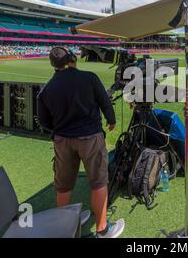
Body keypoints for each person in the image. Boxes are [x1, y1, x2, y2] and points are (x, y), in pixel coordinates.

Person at [37, 47, 124, 238]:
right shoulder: (89, 77)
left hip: (62, 140)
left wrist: (60, 127)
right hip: (90, 137)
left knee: (63, 185)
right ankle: (102, 229)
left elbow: (43, 121)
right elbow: (104, 102)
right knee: (99, 181)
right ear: (71, 59)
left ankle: (66, 228)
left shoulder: (47, 88)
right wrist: (111, 120)